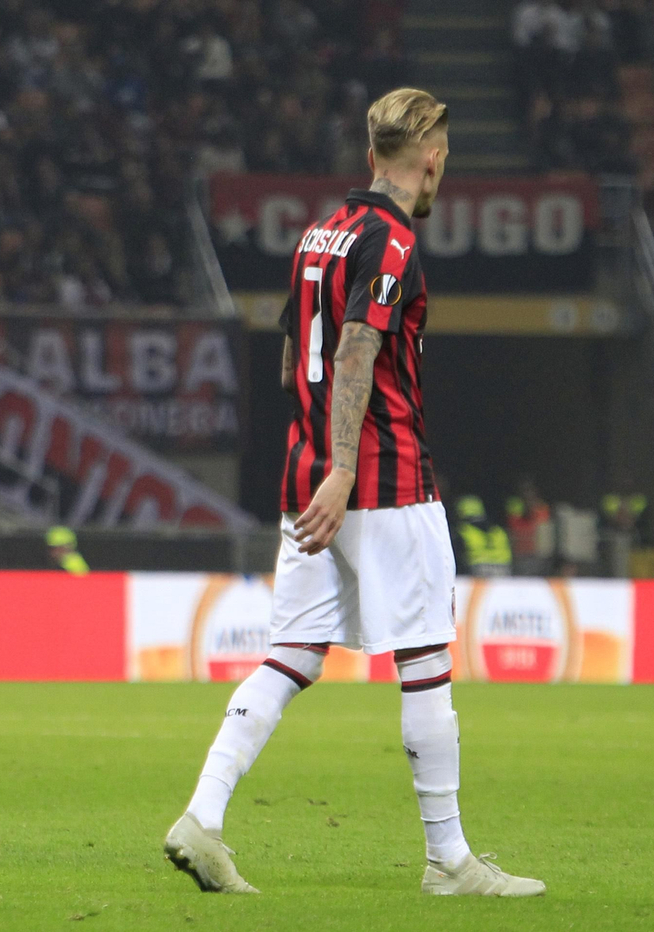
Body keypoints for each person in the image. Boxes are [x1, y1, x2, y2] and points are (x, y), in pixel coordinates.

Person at [163, 89, 545, 897]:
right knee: (426, 661)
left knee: (289, 655)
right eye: (446, 154)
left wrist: (314, 458)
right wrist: (344, 466)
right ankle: (448, 860)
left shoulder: (316, 233)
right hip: (381, 479)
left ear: (371, 154)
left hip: (309, 479)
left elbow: (288, 351)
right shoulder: (393, 240)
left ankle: (203, 816)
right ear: (430, 155)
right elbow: (357, 349)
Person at [453, 495, 513, 576]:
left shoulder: (463, 530)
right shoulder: (499, 530)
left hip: (477, 571)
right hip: (504, 570)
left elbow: (458, 557)